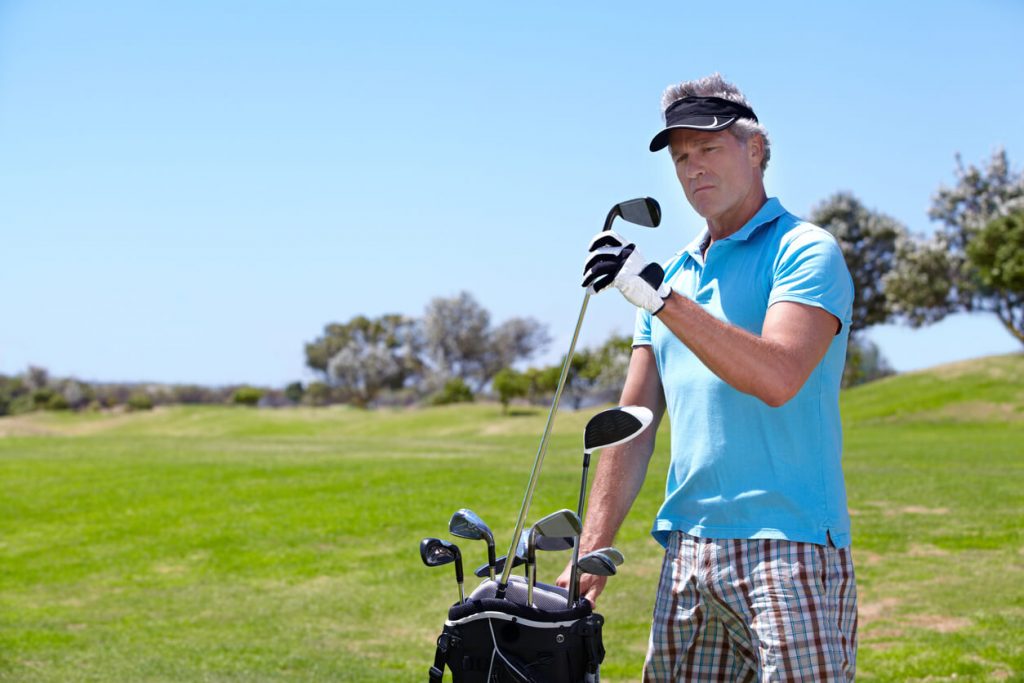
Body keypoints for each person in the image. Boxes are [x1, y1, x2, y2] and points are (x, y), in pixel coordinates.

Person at [556, 73, 858, 681]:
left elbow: (778, 376)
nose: (693, 168)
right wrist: (592, 546)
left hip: (790, 547)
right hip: (688, 551)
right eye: (680, 157)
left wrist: (662, 300)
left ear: (755, 149)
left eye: (708, 148)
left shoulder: (804, 250)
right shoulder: (673, 277)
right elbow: (633, 425)